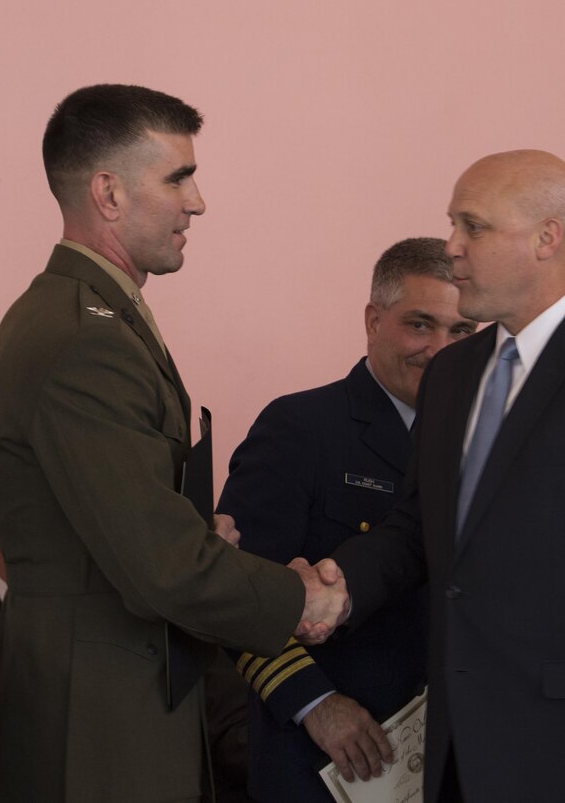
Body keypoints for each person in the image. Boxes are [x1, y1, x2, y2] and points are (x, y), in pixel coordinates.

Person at [0, 84, 347, 803]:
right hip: (98, 715)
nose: (197, 202)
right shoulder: (85, 339)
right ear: (109, 193)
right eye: (178, 178)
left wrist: (184, 529)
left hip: (110, 687)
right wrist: (297, 598)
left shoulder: (86, 316)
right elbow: (162, 567)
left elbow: (113, 515)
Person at [328, 150, 565, 803]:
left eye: (473, 226)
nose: (452, 248)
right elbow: (422, 528)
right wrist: (337, 589)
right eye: (452, 225)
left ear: (546, 238)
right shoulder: (452, 372)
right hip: (458, 758)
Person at [215, 238, 476, 802]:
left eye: (460, 332)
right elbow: (236, 594)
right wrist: (314, 704)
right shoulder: (299, 428)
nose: (440, 349)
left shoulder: (483, 445)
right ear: (373, 321)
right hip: (329, 762)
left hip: (453, 761)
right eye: (420, 325)